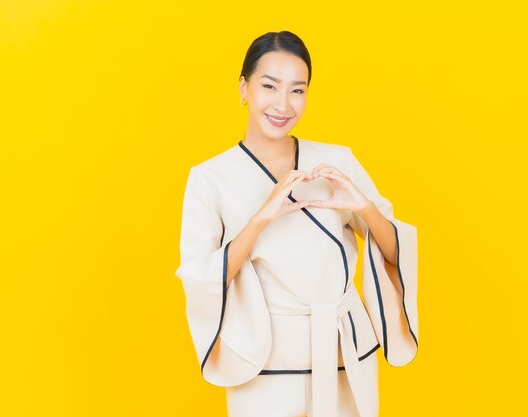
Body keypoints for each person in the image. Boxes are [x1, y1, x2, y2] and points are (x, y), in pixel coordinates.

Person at [174, 31, 419, 417]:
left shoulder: (337, 161)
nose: (283, 104)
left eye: (297, 90)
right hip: (264, 360)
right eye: (269, 86)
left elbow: (394, 252)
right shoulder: (209, 178)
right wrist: (260, 219)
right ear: (244, 88)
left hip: (344, 352)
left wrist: (366, 208)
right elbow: (202, 279)